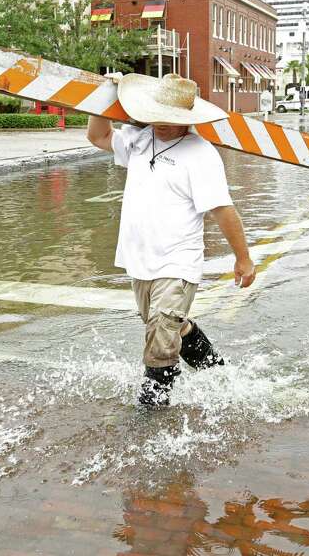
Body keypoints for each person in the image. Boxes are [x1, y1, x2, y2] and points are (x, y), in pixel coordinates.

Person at [87, 73, 256, 407]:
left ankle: (152, 410)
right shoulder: (138, 138)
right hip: (139, 260)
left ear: (186, 120)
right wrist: (104, 95)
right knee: (167, 325)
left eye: (171, 118)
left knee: (161, 333)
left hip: (178, 261)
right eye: (158, 114)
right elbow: (98, 135)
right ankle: (216, 373)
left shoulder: (201, 154)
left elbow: (223, 209)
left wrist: (243, 258)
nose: (162, 123)